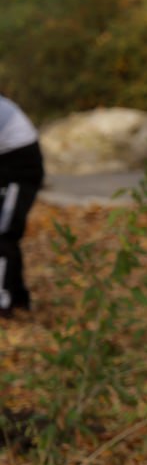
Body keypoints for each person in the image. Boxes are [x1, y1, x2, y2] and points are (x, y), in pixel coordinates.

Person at [0, 94, 44, 318]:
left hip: (19, 167)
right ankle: (18, 298)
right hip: (6, 161)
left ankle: (3, 302)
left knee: (3, 232)